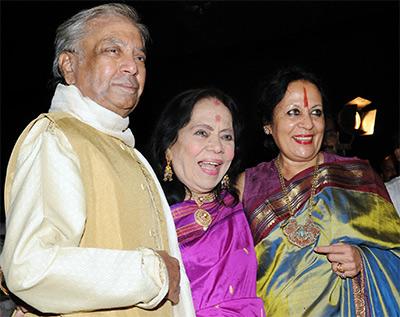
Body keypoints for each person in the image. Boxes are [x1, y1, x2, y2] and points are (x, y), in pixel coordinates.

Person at [0, 3, 195, 317]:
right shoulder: (55, 137)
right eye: (113, 50)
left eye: (140, 56)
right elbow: (30, 267)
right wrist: (153, 273)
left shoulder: (126, 151)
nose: (132, 66)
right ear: (69, 65)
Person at [237, 66, 400, 316]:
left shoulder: (359, 176)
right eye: (294, 112)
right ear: (268, 124)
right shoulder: (246, 185)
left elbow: (396, 251)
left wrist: (363, 259)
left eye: (316, 113)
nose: (308, 124)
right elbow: (230, 272)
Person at [150, 88, 265, 316]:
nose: (217, 147)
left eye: (226, 136)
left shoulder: (243, 203)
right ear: (169, 147)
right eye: (202, 133)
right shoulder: (151, 217)